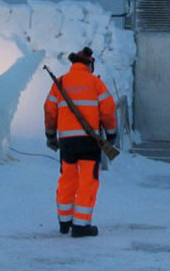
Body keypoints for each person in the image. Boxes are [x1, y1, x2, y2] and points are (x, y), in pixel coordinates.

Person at [43, 47, 117, 237]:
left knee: (67, 179)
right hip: (89, 143)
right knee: (87, 182)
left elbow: (50, 110)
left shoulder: (60, 82)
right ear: (89, 64)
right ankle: (81, 225)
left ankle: (65, 222)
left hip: (67, 142)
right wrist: (111, 134)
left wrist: (51, 135)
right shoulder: (95, 83)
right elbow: (108, 109)